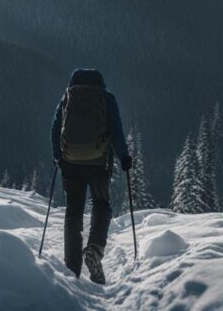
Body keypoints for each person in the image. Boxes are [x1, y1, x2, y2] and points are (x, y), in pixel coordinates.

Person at [51, 69, 131, 285]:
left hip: (70, 163)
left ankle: (72, 269)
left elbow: (55, 127)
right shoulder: (106, 98)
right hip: (98, 162)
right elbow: (116, 129)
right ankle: (95, 249)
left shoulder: (68, 97)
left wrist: (58, 156)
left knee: (73, 212)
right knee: (102, 204)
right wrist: (124, 157)